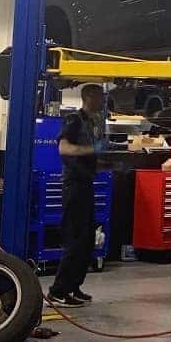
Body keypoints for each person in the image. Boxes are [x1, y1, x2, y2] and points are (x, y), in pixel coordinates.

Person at [48, 83, 108, 307]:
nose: (103, 100)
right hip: (74, 187)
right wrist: (93, 149)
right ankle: (57, 291)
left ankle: (73, 286)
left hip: (86, 184)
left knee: (86, 240)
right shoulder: (74, 120)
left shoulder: (92, 122)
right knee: (75, 240)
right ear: (88, 96)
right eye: (100, 96)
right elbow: (64, 149)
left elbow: (87, 156)